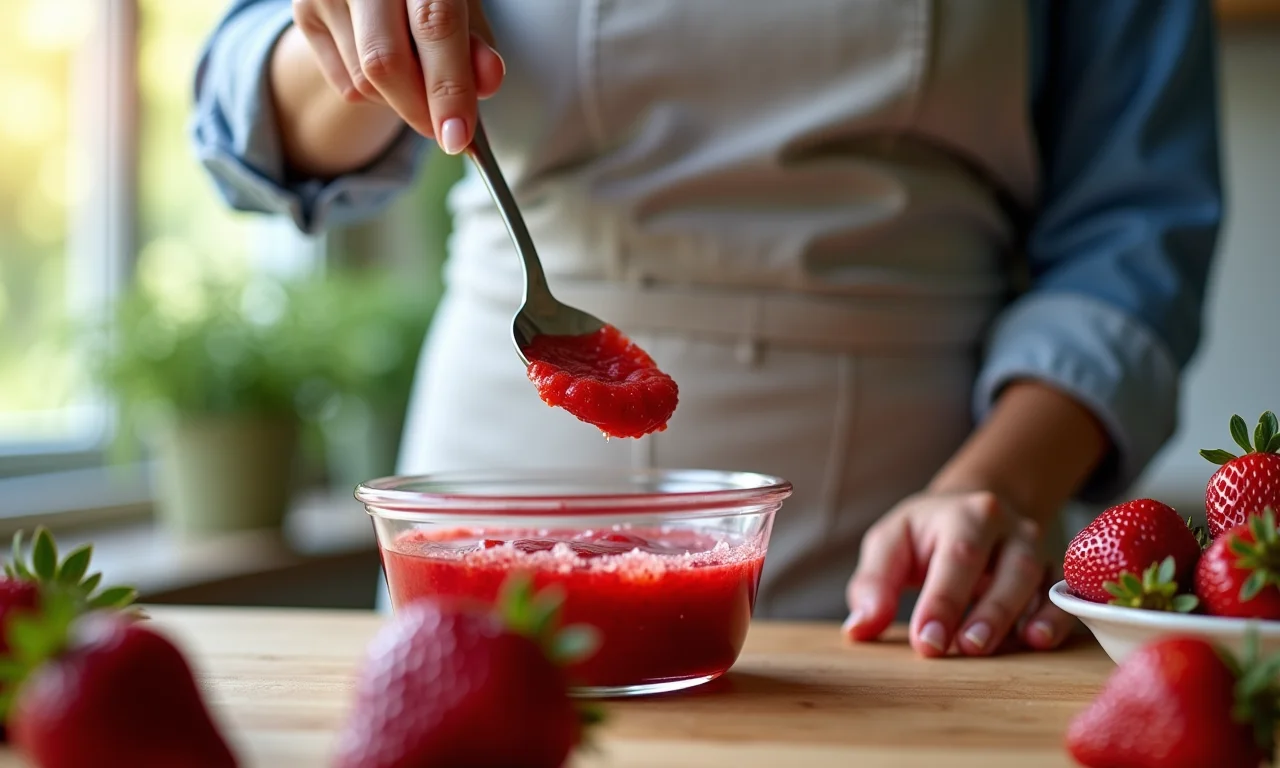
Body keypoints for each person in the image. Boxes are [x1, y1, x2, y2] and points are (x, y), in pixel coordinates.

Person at [191, 0, 1223, 659]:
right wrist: (347, 44)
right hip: (487, 498)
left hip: (910, 553)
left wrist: (991, 485)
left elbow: (1137, 229)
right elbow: (246, 117)